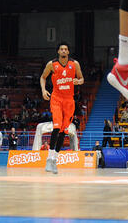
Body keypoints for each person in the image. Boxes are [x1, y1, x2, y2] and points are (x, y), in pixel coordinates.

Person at [40, 42, 84, 174]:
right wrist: (43, 90)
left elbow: (81, 78)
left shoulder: (75, 64)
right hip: (56, 99)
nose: (64, 51)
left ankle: (54, 159)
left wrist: (79, 81)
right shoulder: (52, 64)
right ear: (58, 52)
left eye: (66, 49)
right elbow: (43, 77)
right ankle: (49, 158)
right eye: (61, 49)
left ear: (68, 52)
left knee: (64, 131)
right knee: (57, 127)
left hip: (69, 101)